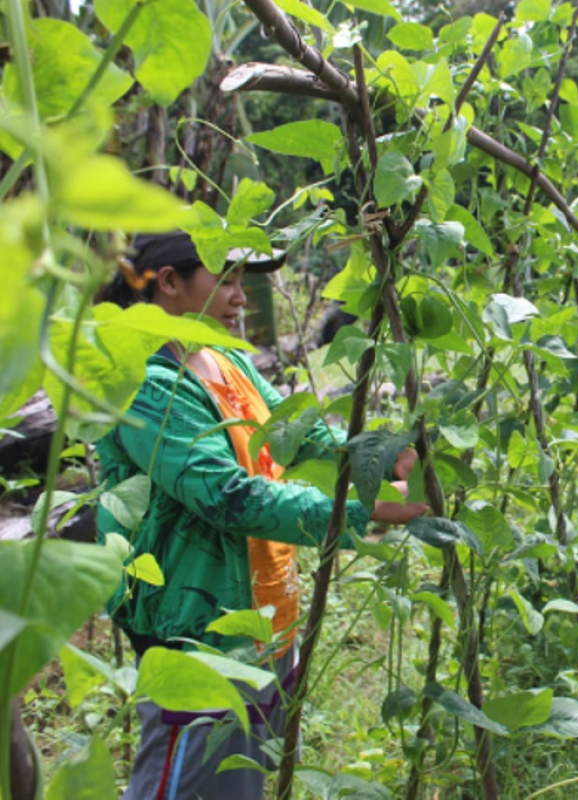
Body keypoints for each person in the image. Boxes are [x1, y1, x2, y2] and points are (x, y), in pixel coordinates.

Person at [95, 231, 427, 799]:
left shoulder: (223, 360)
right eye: (224, 279)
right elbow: (227, 497)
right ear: (169, 282)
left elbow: (298, 434)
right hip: (198, 631)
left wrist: (381, 453)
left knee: (235, 784)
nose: (241, 296)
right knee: (184, 781)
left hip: (263, 614)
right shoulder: (145, 381)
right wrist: (360, 510)